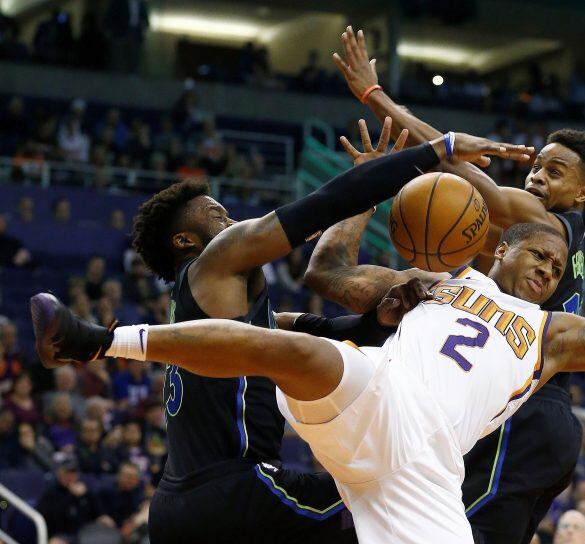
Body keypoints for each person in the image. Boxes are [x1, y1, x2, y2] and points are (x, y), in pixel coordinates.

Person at [32, 180, 585, 542]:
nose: (548, 269)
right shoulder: (436, 283)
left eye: (557, 264)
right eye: (537, 253)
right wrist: (369, 190)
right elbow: (327, 271)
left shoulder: (556, 336)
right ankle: (99, 339)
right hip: (376, 401)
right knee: (291, 349)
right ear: (497, 246)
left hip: (425, 476)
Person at [32, 125, 521, 543]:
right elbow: (321, 205)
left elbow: (319, 333)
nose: (233, 221)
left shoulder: (216, 315)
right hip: (237, 490)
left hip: (176, 506)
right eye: (218, 217)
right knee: (389, 497)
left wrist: (379, 321)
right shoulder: (215, 262)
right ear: (187, 241)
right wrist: (439, 149)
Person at [330, 25, 585, 544]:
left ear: (582, 192)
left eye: (556, 171)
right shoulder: (525, 243)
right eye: (538, 166)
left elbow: (451, 164)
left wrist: (377, 98)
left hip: (524, 410)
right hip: (529, 416)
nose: (538, 177)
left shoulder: (550, 226)